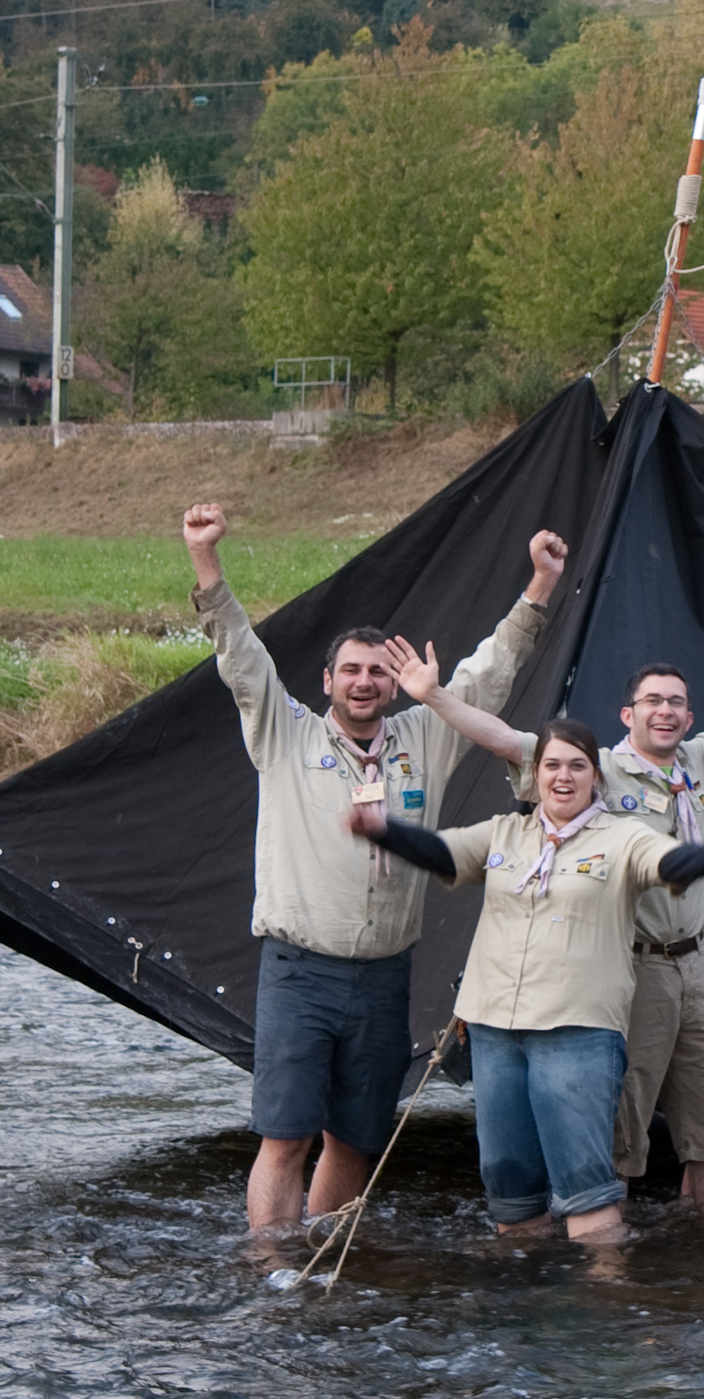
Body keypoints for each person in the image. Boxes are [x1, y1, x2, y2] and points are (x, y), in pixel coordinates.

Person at [181, 500, 565, 1235]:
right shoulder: (284, 732)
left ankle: (324, 1254)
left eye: (377, 673)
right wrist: (206, 558)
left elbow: (490, 673)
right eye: (350, 671)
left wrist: (540, 584)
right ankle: (270, 1267)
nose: (364, 683)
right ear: (327, 680)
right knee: (286, 1135)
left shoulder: (424, 735)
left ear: (394, 683)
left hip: (385, 975)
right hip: (299, 971)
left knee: (356, 1138)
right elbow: (239, 653)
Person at [351, 691, 704, 1242]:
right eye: (552, 765)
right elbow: (442, 852)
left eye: (577, 766)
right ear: (536, 775)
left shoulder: (623, 837)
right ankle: (526, 1287)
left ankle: (605, 1291)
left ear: (596, 777)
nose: (563, 777)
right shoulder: (504, 832)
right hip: (495, 1028)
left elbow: (669, 863)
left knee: (586, 1184)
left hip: (577, 1031)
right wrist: (383, 830)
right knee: (509, 1184)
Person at [441, 662, 704, 1211]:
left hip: (698, 963)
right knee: (619, 1129)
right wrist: (431, 695)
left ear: (690, 716)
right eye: (652, 701)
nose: (665, 711)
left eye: (676, 702)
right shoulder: (593, 768)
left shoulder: (700, 758)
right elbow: (504, 740)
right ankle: (604, 1247)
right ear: (628, 714)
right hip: (635, 965)